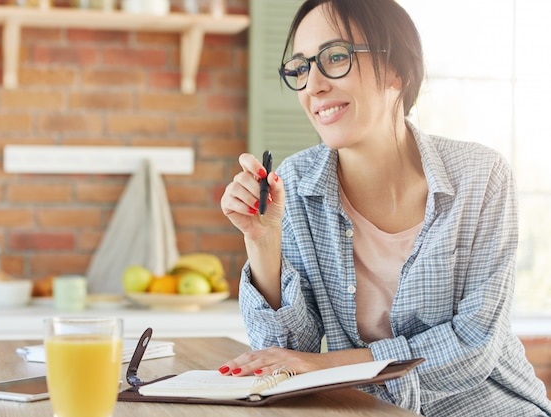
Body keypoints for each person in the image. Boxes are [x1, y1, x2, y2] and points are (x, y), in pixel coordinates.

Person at [219, 0, 551, 415]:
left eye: (335, 57)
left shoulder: (482, 176)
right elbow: (286, 358)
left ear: (397, 69)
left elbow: (474, 344)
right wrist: (263, 241)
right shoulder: (298, 184)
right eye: (301, 68)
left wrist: (332, 365)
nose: (313, 85)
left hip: (490, 405)